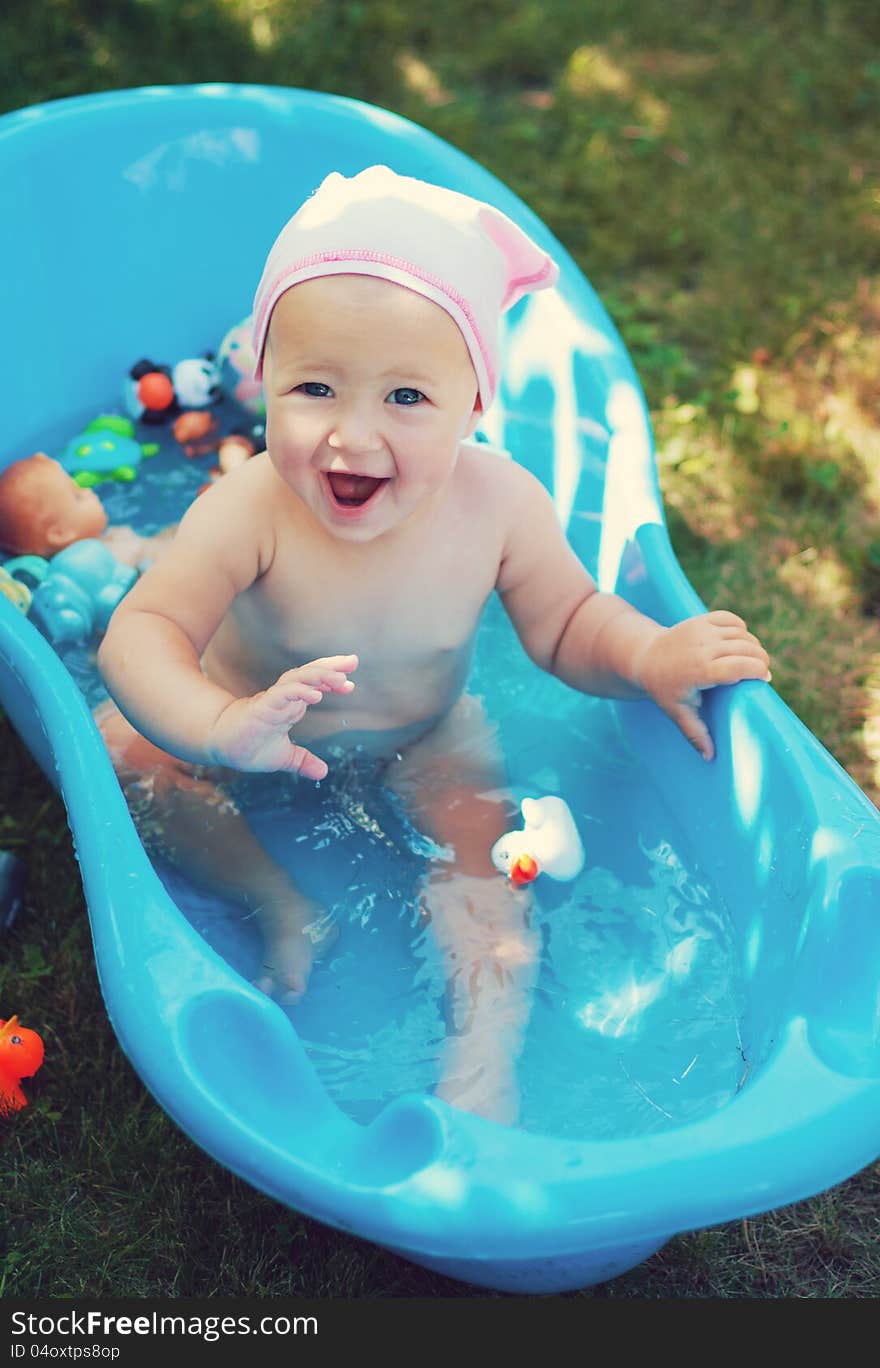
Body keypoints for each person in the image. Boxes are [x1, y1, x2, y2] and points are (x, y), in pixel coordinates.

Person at [96, 165, 771, 1123]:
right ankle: (278, 900)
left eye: (407, 397)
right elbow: (144, 632)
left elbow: (569, 621)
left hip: (424, 733)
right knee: (128, 748)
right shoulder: (248, 506)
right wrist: (218, 724)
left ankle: (482, 1063)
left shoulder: (499, 507)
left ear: (474, 408)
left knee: (482, 865)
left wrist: (648, 657)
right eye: (315, 387)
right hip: (242, 716)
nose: (352, 436)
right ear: (264, 384)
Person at [0, 452, 173, 569]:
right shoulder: (105, 561)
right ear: (60, 533)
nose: (88, 491)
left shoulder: (106, 547)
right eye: (77, 496)